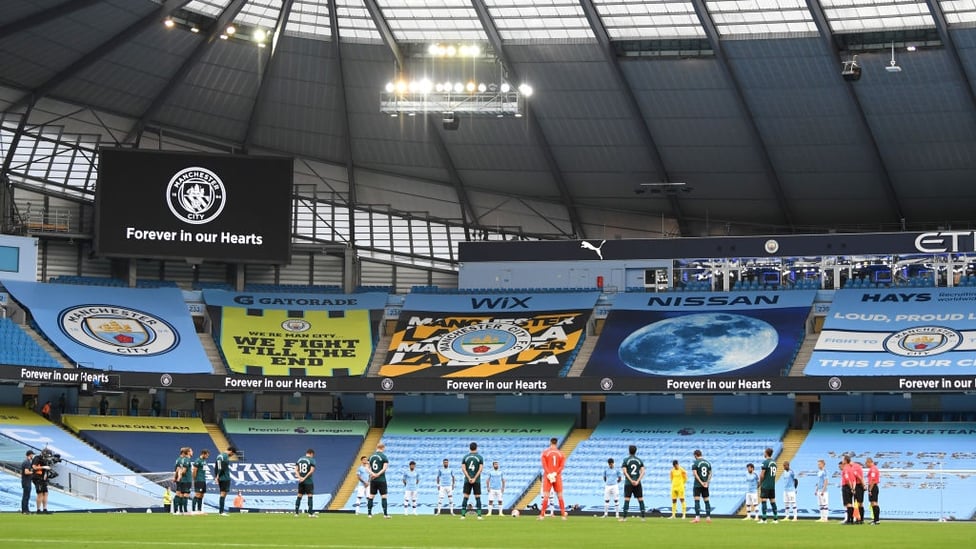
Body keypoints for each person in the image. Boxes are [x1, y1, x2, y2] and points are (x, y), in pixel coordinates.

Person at [539, 437, 566, 520]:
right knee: (560, 496)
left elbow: (544, 465)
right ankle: (563, 516)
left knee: (546, 496)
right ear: (557, 443)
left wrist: (549, 474)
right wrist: (555, 473)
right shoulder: (561, 454)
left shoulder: (545, 453)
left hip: (548, 476)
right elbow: (562, 466)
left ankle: (542, 516)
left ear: (550, 442)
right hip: (557, 476)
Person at [620, 444, 646, 522]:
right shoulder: (639, 460)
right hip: (637, 483)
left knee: (627, 499)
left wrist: (631, 480)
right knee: (640, 499)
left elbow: (624, 472)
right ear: (635, 451)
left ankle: (624, 518)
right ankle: (643, 517)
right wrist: (637, 481)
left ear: (629, 451)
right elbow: (643, 471)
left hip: (628, 483)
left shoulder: (626, 460)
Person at [460, 441, 485, 519]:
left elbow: (463, 469)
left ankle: (463, 516)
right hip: (476, 480)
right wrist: (474, 478)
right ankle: (479, 516)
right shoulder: (480, 457)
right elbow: (480, 469)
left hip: (467, 480)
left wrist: (469, 478)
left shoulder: (465, 457)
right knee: (477, 497)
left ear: (469, 448)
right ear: (476, 448)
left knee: (465, 497)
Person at [367, 442, 390, 518]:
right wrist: (378, 474)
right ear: (383, 448)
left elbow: (367, 468)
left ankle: (369, 514)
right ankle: (385, 514)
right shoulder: (384, 457)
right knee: (384, 496)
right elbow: (385, 468)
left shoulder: (371, 456)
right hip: (381, 479)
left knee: (371, 496)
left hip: (373, 480)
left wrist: (373, 474)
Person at [691, 449, 713, 523]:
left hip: (697, 485)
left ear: (695, 455)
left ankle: (697, 518)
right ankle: (708, 517)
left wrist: (701, 482)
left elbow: (695, 474)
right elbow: (710, 473)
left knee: (697, 500)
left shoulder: (695, 463)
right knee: (706, 501)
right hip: (705, 485)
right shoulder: (707, 463)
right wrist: (706, 482)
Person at [214, 446, 237, 516]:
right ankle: (221, 512)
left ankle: (221, 511)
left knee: (222, 494)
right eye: (232, 454)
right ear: (231, 451)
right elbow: (221, 468)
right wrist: (217, 476)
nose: (232, 455)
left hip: (221, 478)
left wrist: (216, 476)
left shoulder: (219, 456)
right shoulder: (225, 457)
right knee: (223, 494)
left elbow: (216, 467)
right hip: (225, 478)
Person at [758, 447, 778, 523]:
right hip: (772, 485)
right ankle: (775, 519)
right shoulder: (774, 463)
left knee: (763, 500)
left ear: (766, 453)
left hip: (765, 485)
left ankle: (764, 519)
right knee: (772, 501)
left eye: (764, 452)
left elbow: (762, 474)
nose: (764, 453)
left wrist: (760, 483)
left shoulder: (765, 462)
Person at [295, 448, 317, 516]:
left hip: (301, 482)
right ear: (311, 453)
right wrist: (304, 478)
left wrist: (300, 478)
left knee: (299, 496)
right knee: (310, 496)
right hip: (308, 481)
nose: (312, 456)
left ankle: (296, 513)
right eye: (312, 455)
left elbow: (296, 470)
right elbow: (311, 471)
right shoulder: (311, 460)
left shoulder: (300, 459)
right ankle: (310, 513)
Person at [31, 449, 54, 514]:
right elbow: (34, 467)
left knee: (46, 493)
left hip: (43, 478)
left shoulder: (45, 460)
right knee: (40, 493)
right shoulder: (37, 458)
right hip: (37, 477)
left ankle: (45, 509)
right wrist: (44, 467)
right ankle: (38, 510)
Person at [173, 447, 193, 514]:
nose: (192, 452)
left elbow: (177, 469)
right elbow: (182, 470)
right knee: (184, 494)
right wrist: (179, 476)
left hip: (181, 480)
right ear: (187, 452)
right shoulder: (186, 460)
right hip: (186, 480)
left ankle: (178, 510)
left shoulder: (179, 460)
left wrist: (176, 477)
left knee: (180, 494)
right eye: (191, 451)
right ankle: (184, 511)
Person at [848, 455, 865, 524]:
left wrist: (863, 485)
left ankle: (859, 519)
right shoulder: (857, 466)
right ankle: (860, 519)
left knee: (857, 503)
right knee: (860, 503)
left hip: (858, 486)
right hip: (859, 486)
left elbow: (859, 478)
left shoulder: (854, 468)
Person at [191, 448, 209, 513]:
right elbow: (194, 471)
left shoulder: (204, 461)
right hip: (198, 480)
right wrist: (194, 479)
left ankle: (199, 510)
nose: (207, 457)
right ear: (203, 454)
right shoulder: (198, 460)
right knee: (197, 494)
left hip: (203, 480)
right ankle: (193, 510)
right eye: (207, 455)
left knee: (202, 495)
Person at [865, 457, 880, 525]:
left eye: (866, 463)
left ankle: (876, 520)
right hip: (872, 487)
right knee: (873, 503)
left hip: (873, 487)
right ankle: (875, 519)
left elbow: (873, 480)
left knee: (874, 503)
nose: (866, 464)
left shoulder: (873, 469)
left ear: (869, 462)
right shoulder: (872, 469)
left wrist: (870, 489)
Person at [839, 459, 854, 524]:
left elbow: (847, 479)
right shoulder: (850, 468)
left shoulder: (845, 469)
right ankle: (851, 519)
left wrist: (851, 488)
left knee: (848, 504)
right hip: (850, 486)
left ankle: (849, 520)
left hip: (846, 487)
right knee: (850, 503)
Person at [21, 449, 34, 514]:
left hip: (26, 481)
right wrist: (33, 472)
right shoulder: (27, 462)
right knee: (26, 496)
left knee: (26, 496)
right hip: (26, 481)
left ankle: (26, 509)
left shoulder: (26, 462)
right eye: (32, 455)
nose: (33, 456)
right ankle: (25, 510)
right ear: (30, 455)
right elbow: (26, 472)